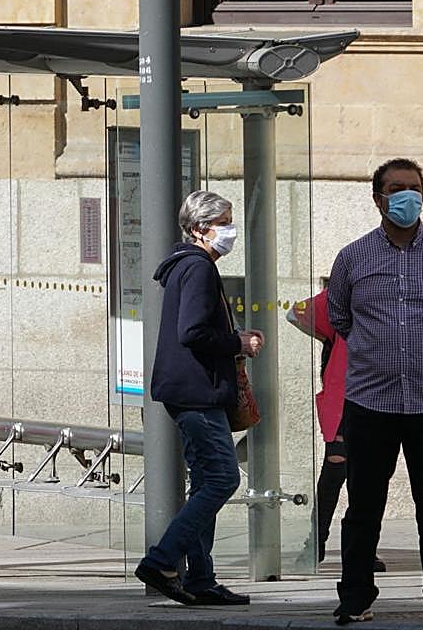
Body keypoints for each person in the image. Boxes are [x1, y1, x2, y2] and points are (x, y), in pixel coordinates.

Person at [328, 157, 423, 625]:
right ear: (378, 198)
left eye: (414, 188)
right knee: (364, 505)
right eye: (397, 188)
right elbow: (340, 318)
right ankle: (355, 597)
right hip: (370, 403)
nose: (407, 196)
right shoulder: (353, 257)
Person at [133, 190, 264, 607]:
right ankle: (161, 560)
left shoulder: (187, 266)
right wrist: (237, 341)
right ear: (198, 228)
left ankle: (201, 579)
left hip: (190, 390)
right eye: (222, 222)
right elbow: (192, 332)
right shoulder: (198, 268)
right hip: (197, 392)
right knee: (224, 479)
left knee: (206, 482)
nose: (230, 230)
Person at [288, 282, 385, 574]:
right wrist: (329, 339)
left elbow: (297, 315)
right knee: (340, 470)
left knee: (364, 475)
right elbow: (296, 312)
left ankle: (355, 548)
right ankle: (317, 543)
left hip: (374, 393)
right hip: (349, 394)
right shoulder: (348, 293)